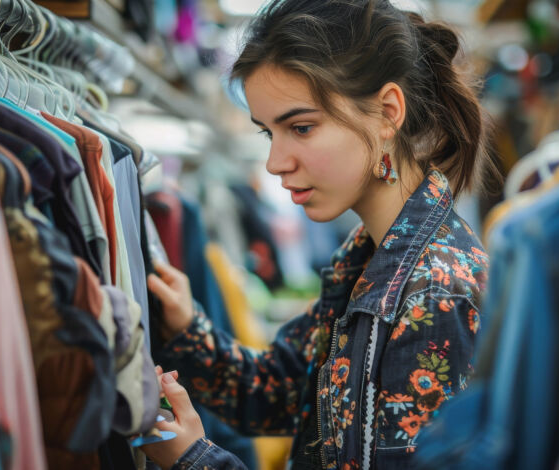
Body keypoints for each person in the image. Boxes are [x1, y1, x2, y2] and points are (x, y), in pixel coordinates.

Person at [142, 0, 500, 468]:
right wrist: (187, 328)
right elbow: (277, 391)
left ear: (387, 112)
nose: (275, 162)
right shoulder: (368, 259)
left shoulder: (433, 294)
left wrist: (196, 461)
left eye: (302, 127)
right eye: (270, 133)